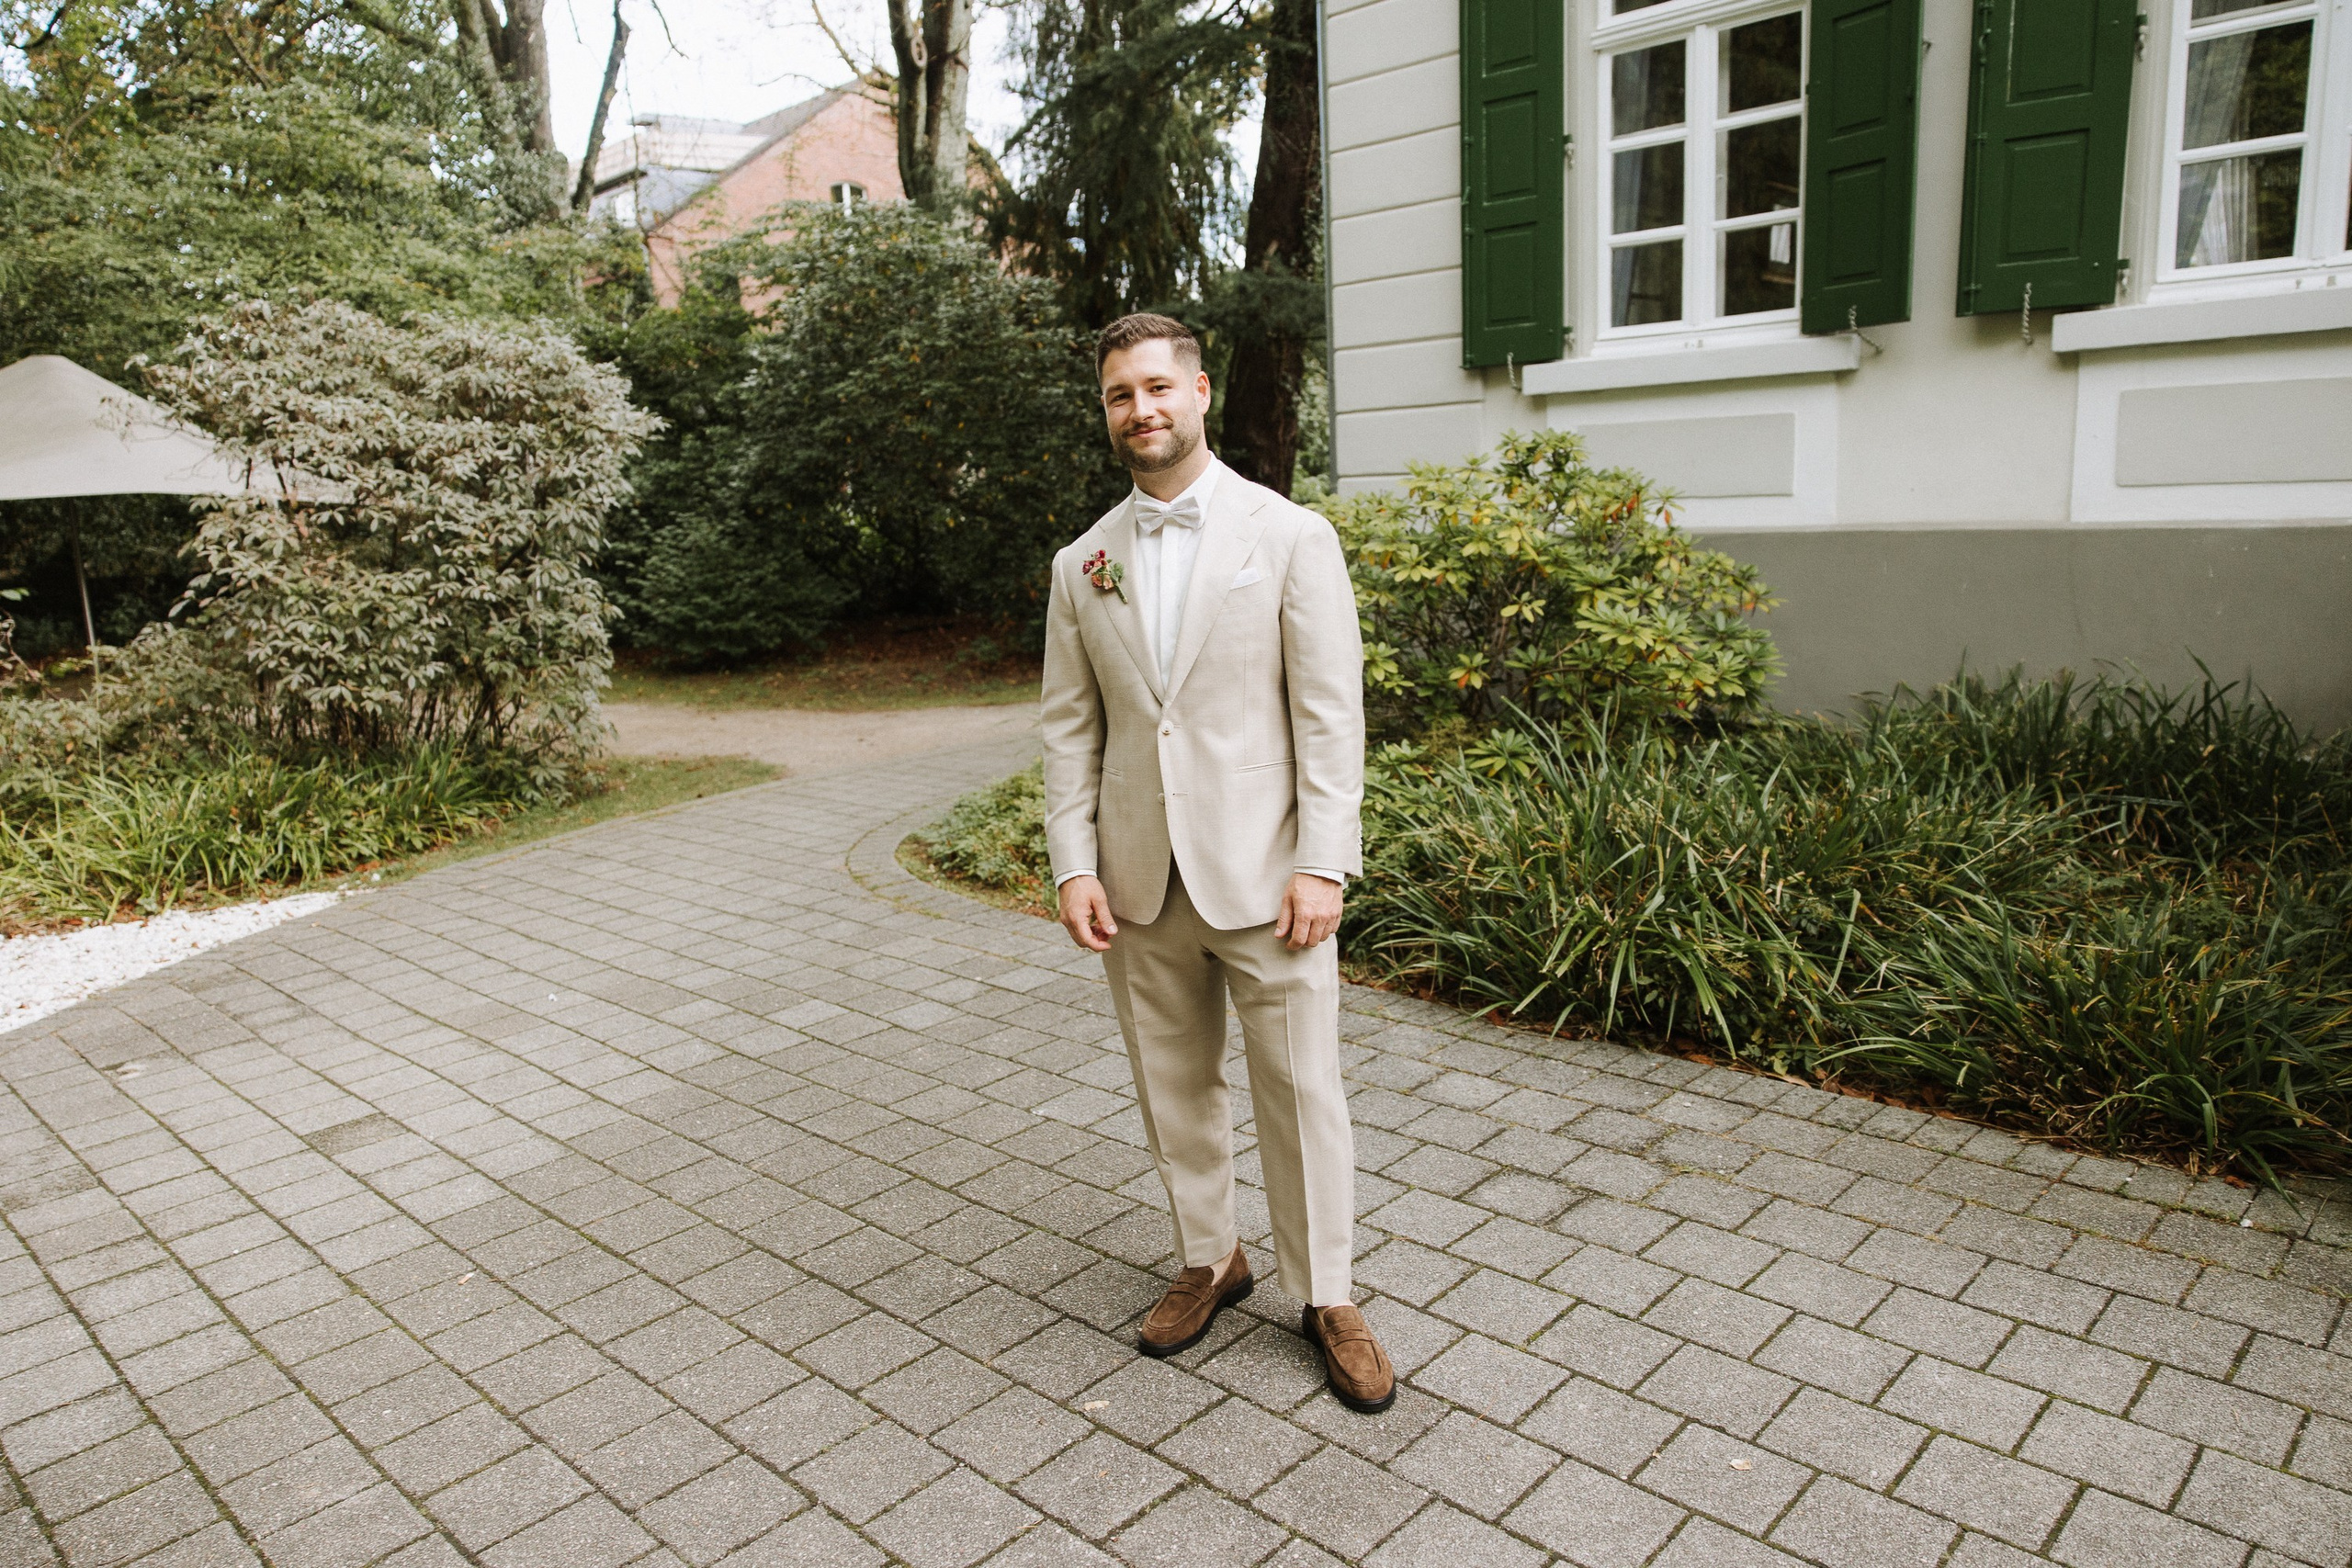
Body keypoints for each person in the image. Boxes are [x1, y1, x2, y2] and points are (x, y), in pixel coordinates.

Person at [1038, 311, 1394, 1413]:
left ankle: (1326, 1293)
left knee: (1300, 1091)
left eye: (1155, 387)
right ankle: (1209, 1258)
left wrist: (1324, 862)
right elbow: (1069, 730)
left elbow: (1329, 716)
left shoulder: (1290, 537)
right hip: (1140, 884)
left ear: (1197, 394)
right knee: (1171, 1087)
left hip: (1268, 879)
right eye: (1117, 396)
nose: (1138, 409)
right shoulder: (1080, 562)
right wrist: (1071, 865)